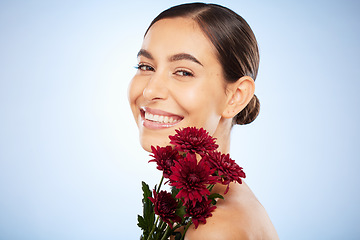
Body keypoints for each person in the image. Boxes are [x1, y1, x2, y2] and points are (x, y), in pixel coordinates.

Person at [128, 3, 279, 239]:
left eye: (183, 72)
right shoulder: (210, 208)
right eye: (146, 66)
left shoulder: (214, 229)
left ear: (236, 97)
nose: (149, 91)